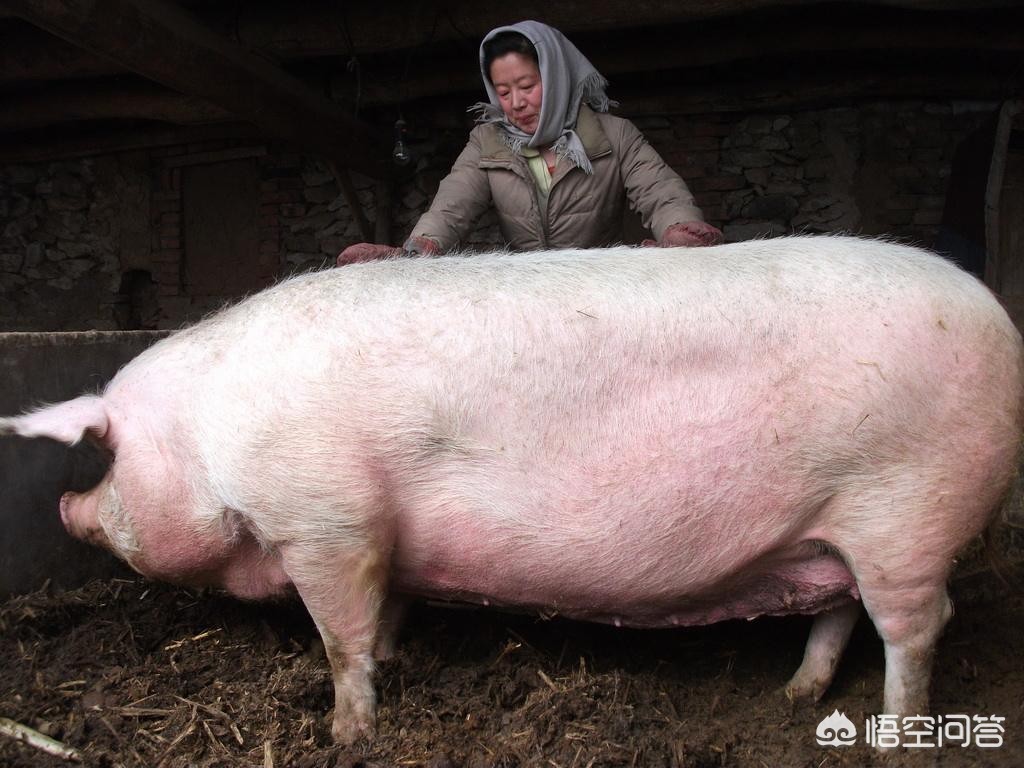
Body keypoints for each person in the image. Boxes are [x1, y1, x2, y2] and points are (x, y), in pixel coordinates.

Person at [338, 20, 721, 264]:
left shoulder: (614, 135)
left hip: (604, 287)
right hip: (527, 294)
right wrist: (419, 249)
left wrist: (681, 231)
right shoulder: (487, 139)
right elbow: (452, 206)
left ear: (556, 78)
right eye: (502, 91)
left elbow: (661, 193)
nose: (515, 103)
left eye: (527, 86)